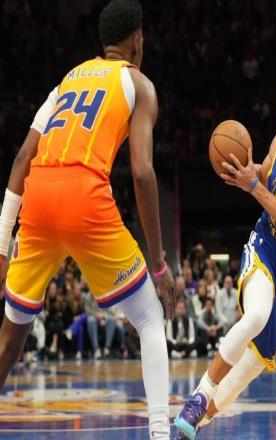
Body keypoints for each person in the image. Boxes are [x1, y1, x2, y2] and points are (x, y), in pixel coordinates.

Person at [0, 1, 175, 439]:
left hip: (38, 196)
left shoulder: (67, 80)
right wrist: (158, 263)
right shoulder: (139, 84)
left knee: (12, 335)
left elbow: (22, 158)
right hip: (84, 196)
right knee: (150, 318)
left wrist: (2, 245)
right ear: (137, 40)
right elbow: (142, 173)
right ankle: (159, 432)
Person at [174, 75, 276, 439]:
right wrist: (248, 172)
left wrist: (253, 185)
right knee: (256, 315)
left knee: (242, 376)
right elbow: (266, 174)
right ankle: (198, 396)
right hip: (264, 248)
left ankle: (192, 424)